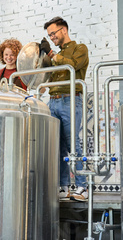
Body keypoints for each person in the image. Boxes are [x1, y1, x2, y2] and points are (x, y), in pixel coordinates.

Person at [40, 17, 89, 202]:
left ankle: (83, 187)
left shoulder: (80, 49)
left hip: (71, 99)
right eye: (49, 35)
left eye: (54, 33)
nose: (52, 37)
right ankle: (64, 187)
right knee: (57, 147)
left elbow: (72, 66)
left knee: (73, 144)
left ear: (64, 30)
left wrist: (52, 54)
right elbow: (46, 77)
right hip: (53, 101)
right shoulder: (53, 56)